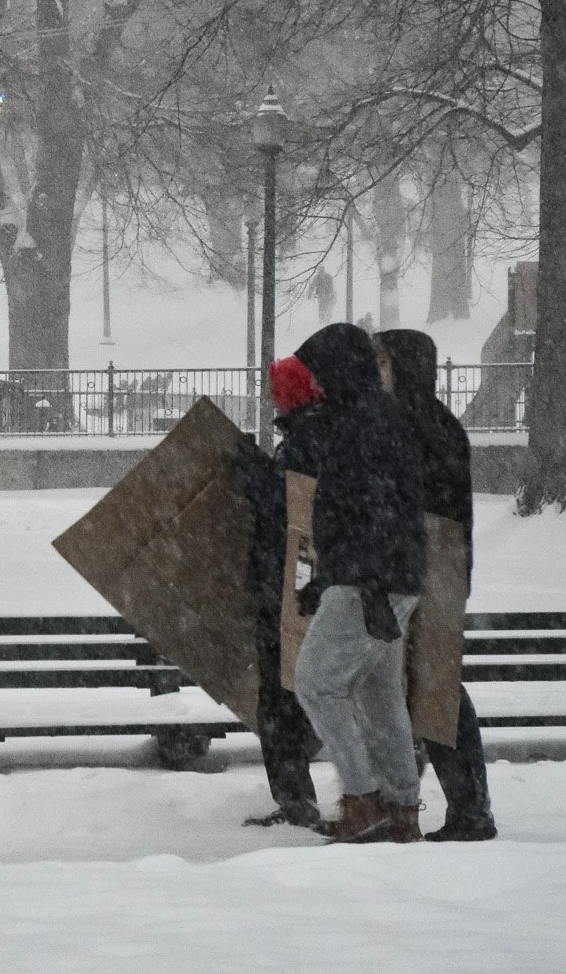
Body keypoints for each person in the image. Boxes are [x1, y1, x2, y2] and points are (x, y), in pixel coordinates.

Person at [289, 322, 428, 844]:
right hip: (392, 576)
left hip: (369, 579)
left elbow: (370, 507)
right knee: (378, 695)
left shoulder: (363, 422)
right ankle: (400, 805)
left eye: (321, 371)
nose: (318, 383)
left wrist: (356, 578)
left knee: (316, 683)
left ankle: (362, 798)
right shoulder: (377, 416)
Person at [377, 328, 497, 842]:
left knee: (432, 693)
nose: (375, 373)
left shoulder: (408, 427)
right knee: (429, 691)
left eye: (381, 363)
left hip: (424, 568)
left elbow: (409, 505)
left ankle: (454, 810)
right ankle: (435, 806)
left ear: (402, 367)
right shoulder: (436, 424)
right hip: (438, 569)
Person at [235, 354, 327, 830]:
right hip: (299, 583)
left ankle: (295, 800)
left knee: (279, 699)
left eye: (278, 389)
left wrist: (249, 474)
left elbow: (285, 507)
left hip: (288, 587)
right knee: (289, 695)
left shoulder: (304, 443)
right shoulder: (318, 436)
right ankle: (298, 797)